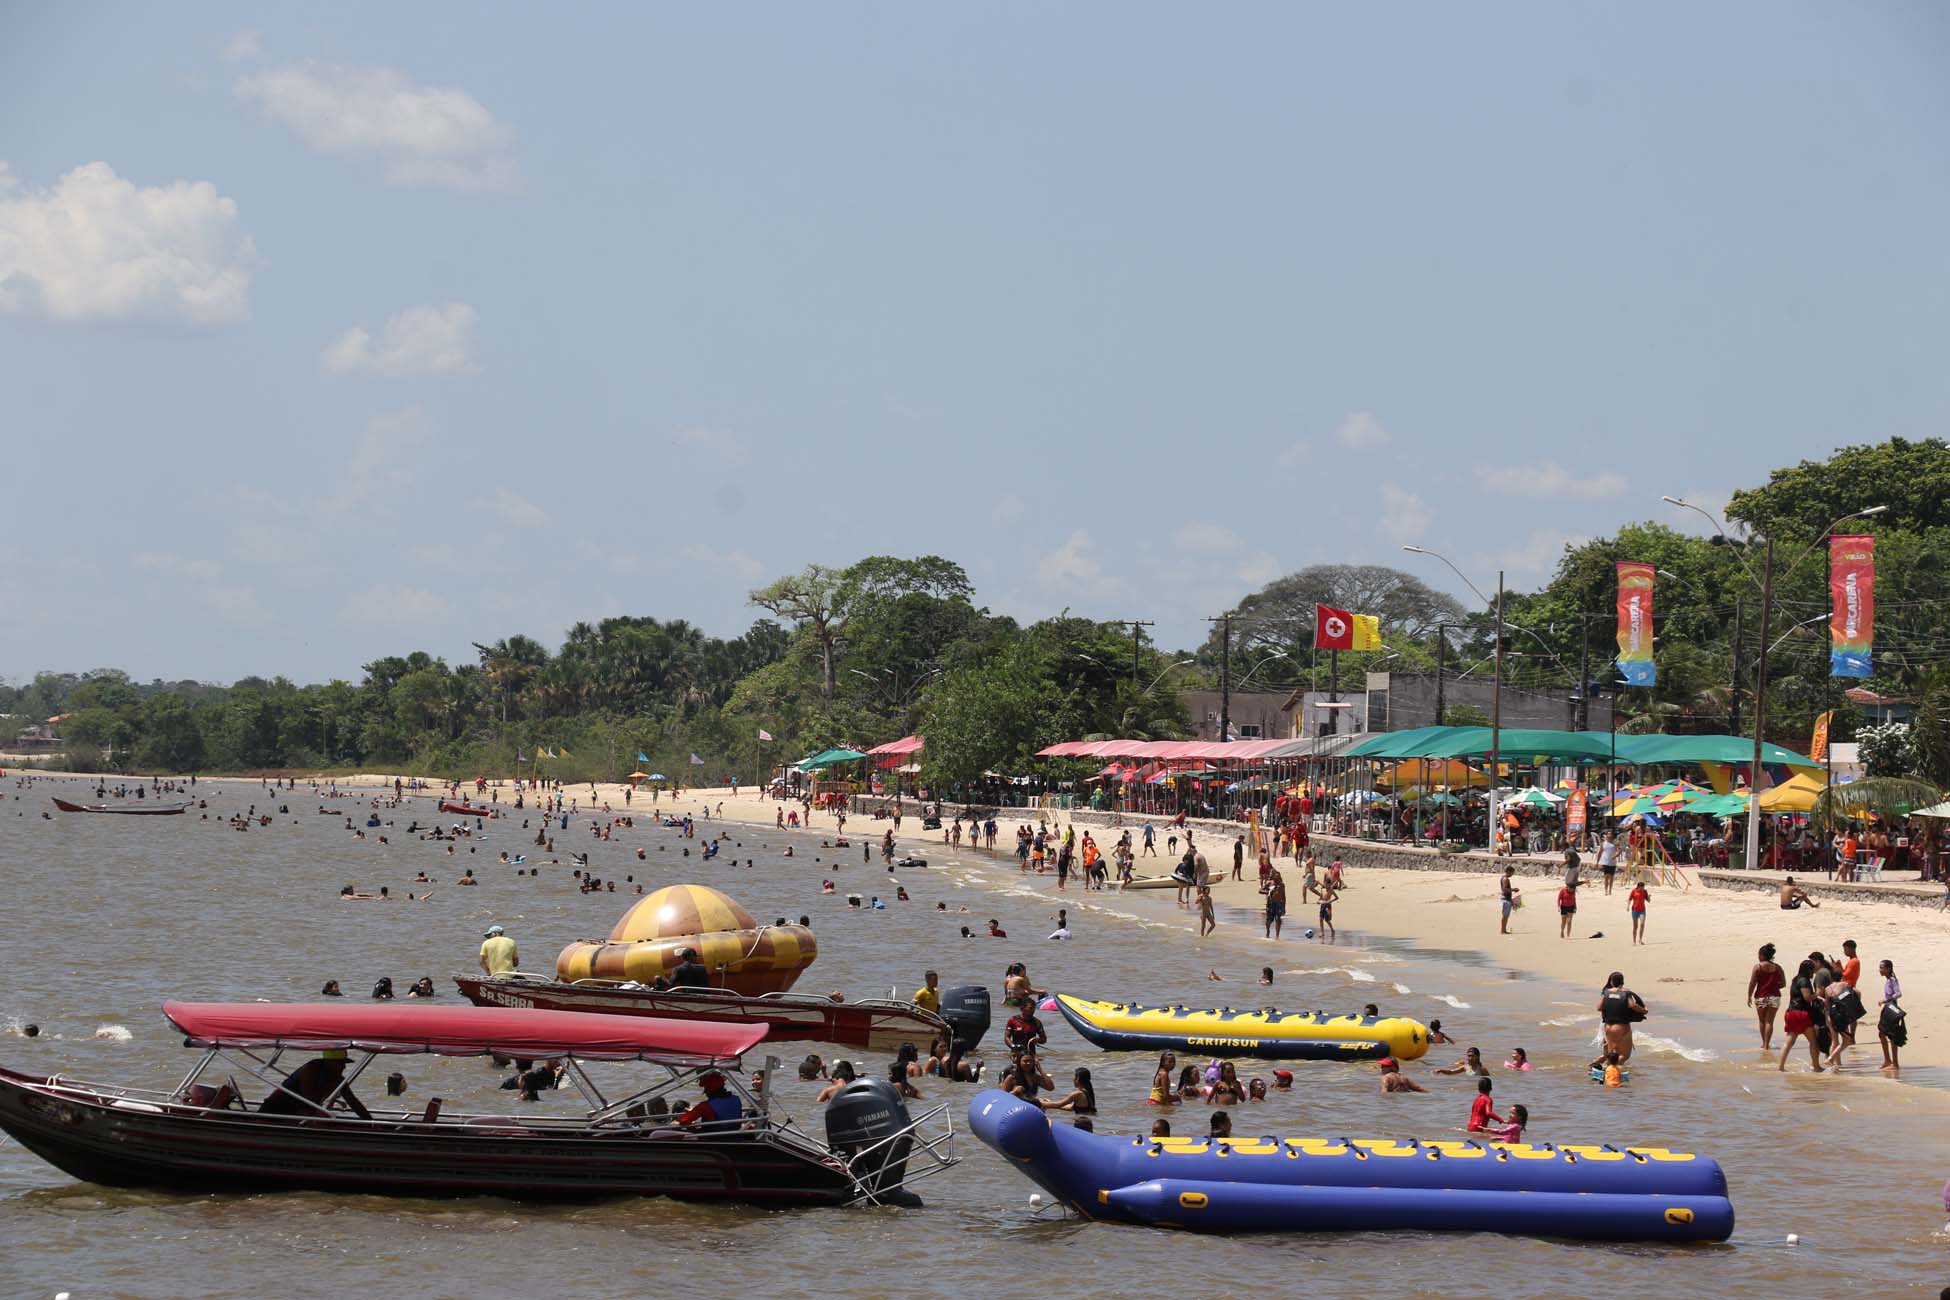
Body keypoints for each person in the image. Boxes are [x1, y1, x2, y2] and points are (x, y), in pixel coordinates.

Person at [259, 1049, 372, 1120]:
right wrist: (329, 1095)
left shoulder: (338, 1079)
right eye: (340, 1063)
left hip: (300, 1112)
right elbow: (309, 1099)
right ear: (328, 1062)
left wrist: (371, 1122)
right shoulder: (312, 1068)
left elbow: (353, 1102)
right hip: (277, 1108)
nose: (344, 1067)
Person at [1778, 958, 1826, 1073]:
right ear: (1808, 970)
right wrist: (1817, 995)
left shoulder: (1796, 979)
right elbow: (1807, 997)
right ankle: (1816, 1066)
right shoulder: (1804, 980)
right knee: (1813, 1041)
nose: (1813, 972)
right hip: (1801, 1014)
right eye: (1812, 970)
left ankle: (1780, 1067)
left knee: (1789, 1042)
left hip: (1791, 1012)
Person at [1747, 943, 1786, 1050]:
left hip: (1761, 996)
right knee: (1770, 1021)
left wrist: (1749, 995)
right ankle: (1766, 1045)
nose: (1758, 957)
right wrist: (1773, 985)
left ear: (1763, 955)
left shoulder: (1758, 967)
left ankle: (1764, 1043)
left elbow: (1752, 983)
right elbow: (1783, 983)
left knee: (1762, 1021)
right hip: (1774, 997)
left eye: (1759, 955)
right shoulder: (1777, 967)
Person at [1598, 972, 1644, 1062]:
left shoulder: (1606, 992)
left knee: (1608, 1055)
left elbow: (1599, 1007)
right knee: (1624, 1055)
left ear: (1611, 982)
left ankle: (1593, 1066)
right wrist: (1644, 1010)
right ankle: (1610, 1071)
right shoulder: (1625, 993)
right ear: (1622, 982)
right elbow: (1632, 1005)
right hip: (1621, 1027)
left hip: (1607, 1026)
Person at [675, 1071, 743, 1127]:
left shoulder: (705, 1106)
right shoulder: (736, 1099)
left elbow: (684, 1121)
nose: (705, 1092)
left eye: (705, 1088)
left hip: (713, 1138)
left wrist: (692, 1112)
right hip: (735, 1135)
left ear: (708, 1090)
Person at [1876, 958, 1906, 1070]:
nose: (1880, 970)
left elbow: (1898, 994)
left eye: (1882, 967)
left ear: (1888, 969)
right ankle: (1887, 1060)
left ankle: (1895, 1063)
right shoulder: (1888, 980)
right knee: (1882, 1034)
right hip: (1888, 1009)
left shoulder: (1892, 980)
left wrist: (1885, 1000)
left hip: (1892, 1010)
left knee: (1892, 1036)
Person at [1264, 864, 1286, 939]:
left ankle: (1277, 935)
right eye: (1276, 876)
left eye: (1278, 876)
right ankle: (1268, 931)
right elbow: (1260, 890)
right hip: (1270, 904)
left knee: (1278, 919)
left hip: (1278, 904)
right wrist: (1268, 892)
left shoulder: (1282, 885)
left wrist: (1284, 907)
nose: (1278, 878)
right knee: (1269, 920)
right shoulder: (1269, 883)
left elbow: (1283, 897)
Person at [1498, 866, 1519, 935]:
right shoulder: (1506, 879)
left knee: (1505, 916)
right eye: (1512, 873)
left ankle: (1503, 930)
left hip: (1507, 898)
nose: (1512, 875)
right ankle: (1503, 930)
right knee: (1505, 916)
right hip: (1506, 899)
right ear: (1509, 872)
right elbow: (1504, 889)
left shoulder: (1503, 878)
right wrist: (1514, 889)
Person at [1627, 880, 1649, 945]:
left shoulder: (1644, 891)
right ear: (1638, 887)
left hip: (1642, 910)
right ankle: (1634, 941)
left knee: (1642, 924)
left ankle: (1640, 939)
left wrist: (1649, 897)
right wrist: (1628, 906)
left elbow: (1648, 900)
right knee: (1635, 926)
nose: (1642, 889)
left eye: (1643, 887)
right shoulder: (1634, 891)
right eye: (1641, 888)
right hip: (1635, 910)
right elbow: (1629, 899)